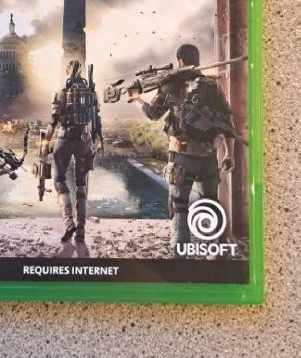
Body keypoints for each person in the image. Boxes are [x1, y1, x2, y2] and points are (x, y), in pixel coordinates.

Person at [128, 44, 234, 254]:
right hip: (208, 157)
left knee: (179, 206)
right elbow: (227, 123)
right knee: (210, 204)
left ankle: (180, 254)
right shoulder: (212, 86)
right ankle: (215, 253)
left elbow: (152, 113)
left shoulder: (172, 85)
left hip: (181, 157)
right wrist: (229, 154)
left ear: (180, 61)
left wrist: (136, 98)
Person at [41, 60, 102, 243]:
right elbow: (96, 119)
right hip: (84, 140)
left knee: (60, 180)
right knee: (82, 184)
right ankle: (81, 230)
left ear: (67, 71)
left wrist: (45, 143)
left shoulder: (61, 91)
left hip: (65, 139)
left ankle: (69, 223)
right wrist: (97, 140)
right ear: (81, 72)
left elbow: (53, 120)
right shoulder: (90, 92)